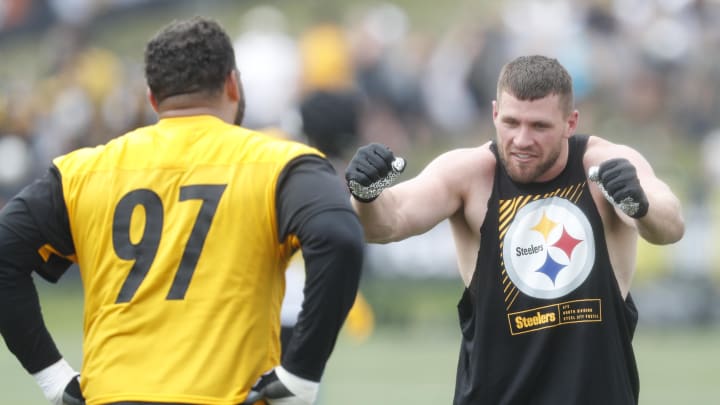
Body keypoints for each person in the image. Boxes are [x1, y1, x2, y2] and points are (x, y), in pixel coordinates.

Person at [0, 16, 364, 405]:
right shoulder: (279, 163)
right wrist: (301, 374)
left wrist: (53, 376)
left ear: (153, 98)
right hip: (224, 395)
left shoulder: (85, 170)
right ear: (232, 85)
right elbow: (339, 238)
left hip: (114, 395)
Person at [344, 55, 684, 404]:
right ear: (494, 114)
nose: (521, 139)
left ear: (571, 122)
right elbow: (389, 221)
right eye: (510, 122)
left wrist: (638, 205)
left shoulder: (602, 165)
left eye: (539, 126)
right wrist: (366, 194)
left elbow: (669, 225)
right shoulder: (469, 174)